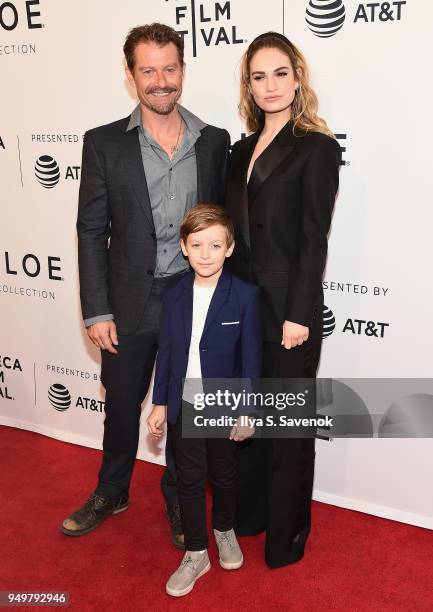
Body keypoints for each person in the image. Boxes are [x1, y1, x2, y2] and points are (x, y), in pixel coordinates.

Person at [62, 24, 230, 547]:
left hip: (190, 298)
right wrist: (96, 309)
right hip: (128, 300)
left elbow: (224, 225)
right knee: (121, 403)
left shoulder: (214, 142)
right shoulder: (104, 142)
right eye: (148, 70)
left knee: (182, 409)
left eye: (170, 68)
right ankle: (112, 490)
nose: (161, 81)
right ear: (132, 75)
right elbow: (91, 229)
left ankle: (180, 498)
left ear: (183, 70)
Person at [225, 32, 341, 568]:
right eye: (258, 76)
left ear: (297, 76)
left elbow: (314, 237)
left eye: (279, 73)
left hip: (287, 308)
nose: (269, 86)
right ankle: (251, 516)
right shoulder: (239, 149)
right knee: (247, 417)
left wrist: (300, 311)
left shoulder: (317, 146)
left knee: (289, 428)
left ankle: (287, 536)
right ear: (248, 86)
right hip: (243, 305)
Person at [147, 204, 262, 597]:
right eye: (197, 244)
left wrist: (247, 408)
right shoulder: (174, 292)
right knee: (189, 480)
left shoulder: (245, 296)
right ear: (183, 246)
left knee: (225, 474)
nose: (206, 253)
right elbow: (166, 350)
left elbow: (250, 360)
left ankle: (225, 529)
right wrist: (160, 401)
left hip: (224, 402)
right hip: (185, 401)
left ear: (229, 248)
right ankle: (197, 553)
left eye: (215, 244)